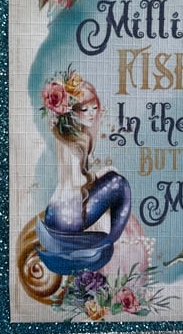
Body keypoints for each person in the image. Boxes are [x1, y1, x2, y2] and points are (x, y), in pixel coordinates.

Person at [36, 67, 131, 275]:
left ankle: (101, 243)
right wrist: (100, 174)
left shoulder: (63, 135)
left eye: (94, 108)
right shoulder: (78, 139)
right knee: (120, 185)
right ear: (71, 111)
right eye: (84, 109)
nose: (91, 114)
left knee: (113, 180)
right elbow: (77, 181)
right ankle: (109, 240)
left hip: (54, 214)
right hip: (69, 216)